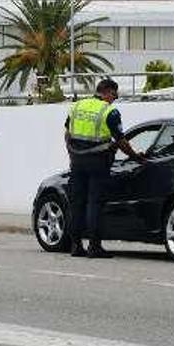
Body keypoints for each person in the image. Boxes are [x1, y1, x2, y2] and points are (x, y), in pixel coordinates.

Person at [64, 79, 145, 259]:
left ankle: (76, 245)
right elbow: (121, 141)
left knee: (77, 203)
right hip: (98, 163)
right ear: (107, 92)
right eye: (114, 95)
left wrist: (72, 152)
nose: (115, 99)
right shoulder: (109, 111)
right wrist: (135, 156)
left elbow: (67, 133)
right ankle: (94, 246)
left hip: (77, 161)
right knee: (95, 203)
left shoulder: (78, 106)